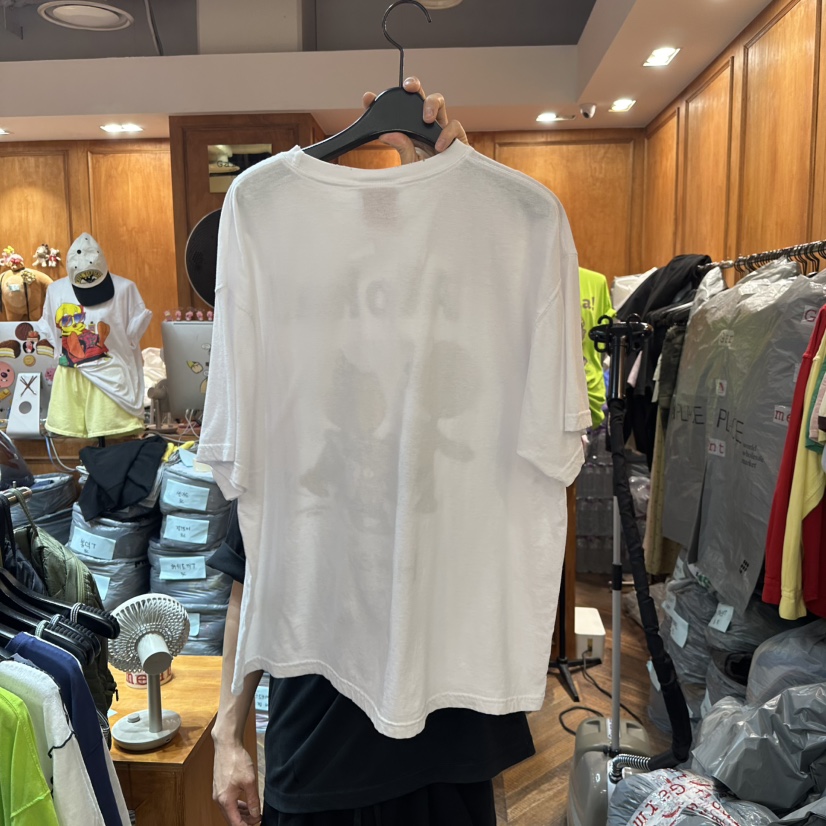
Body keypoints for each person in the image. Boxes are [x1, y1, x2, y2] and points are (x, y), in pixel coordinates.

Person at [209, 78, 536, 826]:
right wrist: (229, 733)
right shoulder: (294, 409)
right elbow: (245, 581)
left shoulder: (463, 384)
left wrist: (457, 190)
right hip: (320, 743)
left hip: (451, 732)